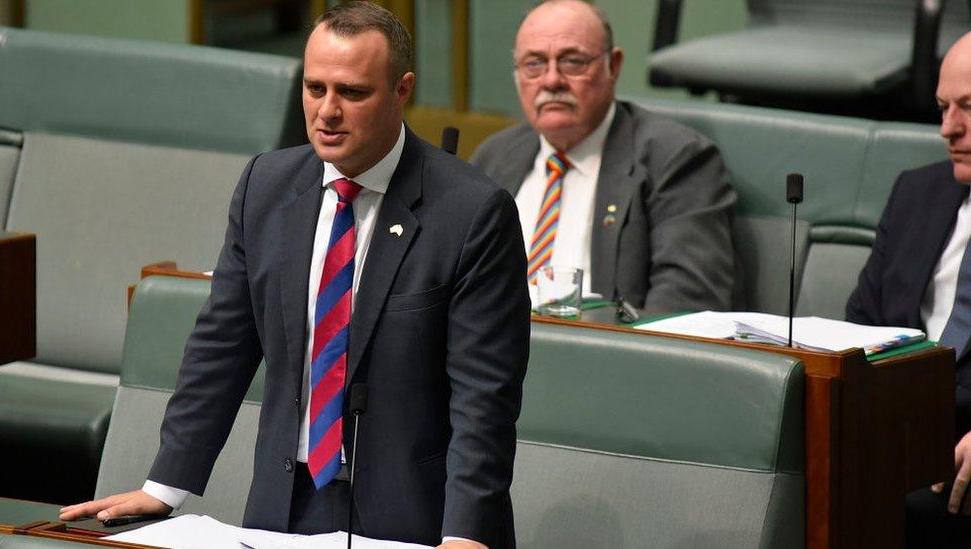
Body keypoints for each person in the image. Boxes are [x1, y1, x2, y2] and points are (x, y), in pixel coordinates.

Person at [58, 3, 529, 548]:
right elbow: (222, 346)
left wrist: (466, 533)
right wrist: (165, 486)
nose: (327, 111)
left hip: (420, 517)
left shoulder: (471, 212)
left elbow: (485, 397)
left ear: (402, 90)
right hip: (283, 507)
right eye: (314, 88)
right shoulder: (266, 185)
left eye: (352, 93)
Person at [471, 0, 738, 313]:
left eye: (573, 62)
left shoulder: (675, 159)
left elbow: (684, 308)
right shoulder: (494, 157)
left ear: (614, 66)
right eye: (534, 64)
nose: (552, 80)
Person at [846, 32, 971, 548]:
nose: (948, 128)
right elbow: (858, 328)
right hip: (893, 436)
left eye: (969, 107)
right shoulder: (917, 192)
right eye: (942, 108)